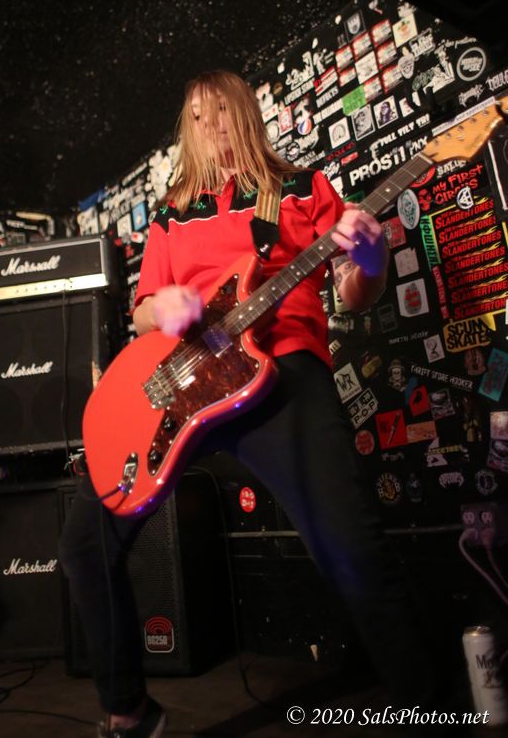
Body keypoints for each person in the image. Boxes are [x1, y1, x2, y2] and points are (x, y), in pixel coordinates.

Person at [59, 70, 438, 738]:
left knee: (351, 548)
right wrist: (163, 308)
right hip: (182, 389)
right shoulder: (173, 213)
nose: (208, 126)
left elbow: (354, 293)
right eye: (195, 117)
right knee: (86, 539)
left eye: (220, 111)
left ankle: (430, 708)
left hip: (281, 373)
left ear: (245, 114)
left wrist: (372, 257)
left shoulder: (301, 187)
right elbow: (143, 311)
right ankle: (129, 711)